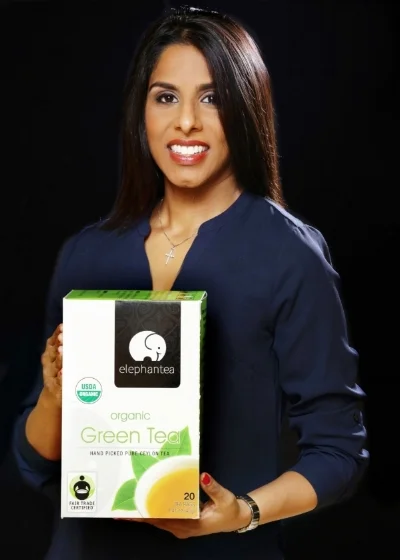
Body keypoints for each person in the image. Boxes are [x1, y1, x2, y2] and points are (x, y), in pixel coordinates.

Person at [12, 5, 368, 559]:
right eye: (165, 97)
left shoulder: (288, 255)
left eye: (211, 97)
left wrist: (244, 512)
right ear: (141, 112)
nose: (186, 122)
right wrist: (55, 399)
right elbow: (35, 459)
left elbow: (339, 452)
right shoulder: (87, 254)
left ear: (245, 109)